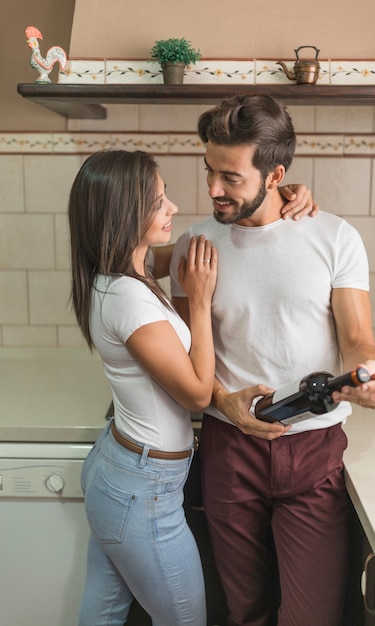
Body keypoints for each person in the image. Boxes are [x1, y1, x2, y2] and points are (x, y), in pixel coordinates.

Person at [169, 95, 375, 626]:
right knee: (245, 610)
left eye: (231, 177)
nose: (211, 190)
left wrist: (371, 372)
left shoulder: (334, 237)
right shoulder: (194, 246)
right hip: (230, 447)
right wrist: (225, 402)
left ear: (276, 175)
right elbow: (190, 357)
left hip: (314, 449)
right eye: (209, 170)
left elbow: (358, 338)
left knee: (311, 616)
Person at [68, 149, 218, 626]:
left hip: (121, 474)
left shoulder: (121, 274)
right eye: (158, 202)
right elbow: (197, 394)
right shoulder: (130, 298)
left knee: (106, 613)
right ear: (123, 214)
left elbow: (199, 246)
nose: (172, 207)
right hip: (142, 491)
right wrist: (199, 302)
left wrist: (285, 198)